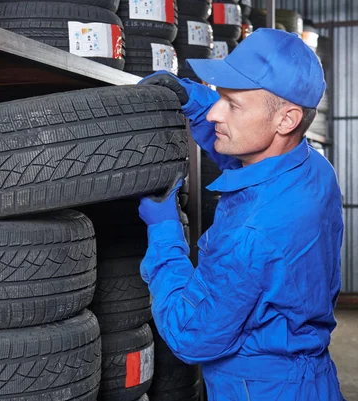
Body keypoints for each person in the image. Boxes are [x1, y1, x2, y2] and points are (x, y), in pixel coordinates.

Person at [137, 28, 346, 400]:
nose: (218, 111)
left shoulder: (253, 232)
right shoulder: (313, 168)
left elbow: (191, 336)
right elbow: (246, 153)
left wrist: (165, 232)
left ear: (287, 119)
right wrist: (193, 97)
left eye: (232, 104)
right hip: (310, 380)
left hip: (259, 390)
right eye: (219, 96)